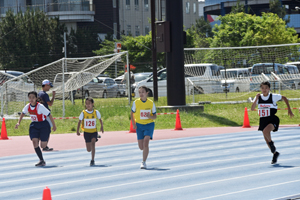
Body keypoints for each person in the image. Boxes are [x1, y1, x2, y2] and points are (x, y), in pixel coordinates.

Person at [251, 81, 294, 164]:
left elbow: (284, 98)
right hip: (263, 120)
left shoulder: (273, 96)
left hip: (272, 119)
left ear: (269, 89)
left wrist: (289, 109)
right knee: (266, 141)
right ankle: (275, 153)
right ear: (260, 89)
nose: (264, 89)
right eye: (262, 88)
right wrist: (256, 99)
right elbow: (252, 109)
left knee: (265, 131)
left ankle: (271, 143)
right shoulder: (258, 97)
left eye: (266, 88)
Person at [15, 91, 57, 166]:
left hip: (43, 125)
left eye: (33, 97)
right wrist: (18, 123)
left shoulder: (40, 106)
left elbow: (49, 115)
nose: (31, 99)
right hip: (34, 125)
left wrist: (54, 125)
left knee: (43, 146)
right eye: (30, 97)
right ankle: (41, 160)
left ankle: (45, 136)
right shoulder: (27, 106)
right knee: (34, 142)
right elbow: (23, 113)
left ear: (36, 98)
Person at [131, 86, 156, 169]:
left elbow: (155, 116)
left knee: (146, 142)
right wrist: (134, 124)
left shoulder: (151, 103)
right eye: (140, 92)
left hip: (149, 125)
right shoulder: (136, 102)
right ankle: (145, 152)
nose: (141, 94)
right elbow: (132, 113)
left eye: (143, 92)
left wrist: (150, 116)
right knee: (141, 147)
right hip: (139, 125)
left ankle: (144, 162)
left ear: (147, 93)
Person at [77, 97, 104, 166]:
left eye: (89, 103)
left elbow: (100, 120)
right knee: (88, 149)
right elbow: (79, 121)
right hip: (86, 133)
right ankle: (91, 149)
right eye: (86, 104)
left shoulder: (96, 112)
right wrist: (77, 130)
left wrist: (102, 126)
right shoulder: (83, 113)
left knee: (93, 143)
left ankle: (92, 160)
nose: (88, 105)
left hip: (94, 132)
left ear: (92, 104)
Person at [38, 79, 55, 151]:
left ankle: (43, 145)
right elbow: (50, 104)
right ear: (45, 85)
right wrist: (53, 96)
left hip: (40, 114)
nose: (49, 88)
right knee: (47, 130)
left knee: (42, 129)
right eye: (49, 86)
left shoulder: (39, 93)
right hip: (46, 114)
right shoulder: (45, 94)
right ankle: (45, 146)